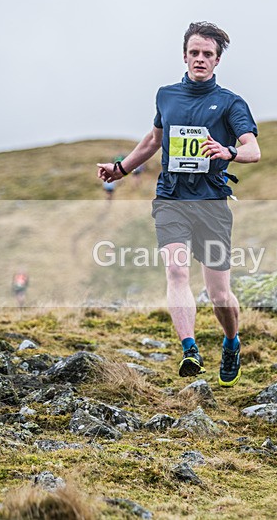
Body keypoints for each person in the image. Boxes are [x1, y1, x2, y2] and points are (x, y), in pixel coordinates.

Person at [98, 22, 260, 387]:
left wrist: (229, 150)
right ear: (184, 55)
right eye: (194, 53)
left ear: (217, 61)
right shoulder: (166, 96)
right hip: (171, 197)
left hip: (212, 202)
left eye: (207, 54)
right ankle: (190, 348)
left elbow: (253, 149)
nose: (200, 59)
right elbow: (154, 139)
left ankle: (231, 340)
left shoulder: (231, 103)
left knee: (219, 293)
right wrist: (121, 169)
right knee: (176, 272)